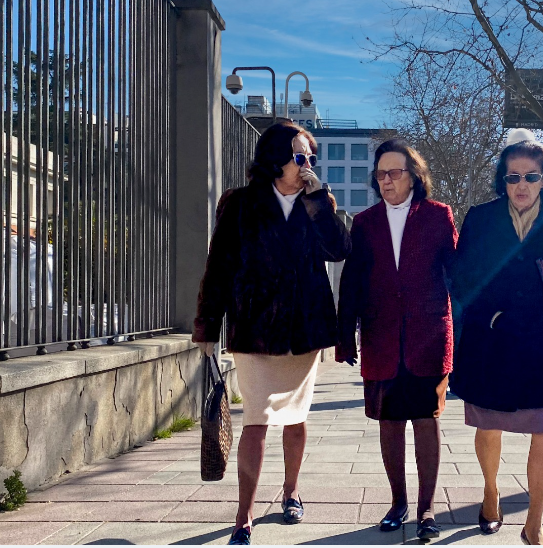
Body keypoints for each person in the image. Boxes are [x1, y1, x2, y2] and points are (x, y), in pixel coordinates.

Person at [192, 120, 351, 545]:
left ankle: (291, 491)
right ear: (275, 159)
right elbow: (219, 267)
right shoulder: (240, 203)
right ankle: (243, 513)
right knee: (257, 422)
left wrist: (319, 201)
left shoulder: (318, 202)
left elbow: (339, 250)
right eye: (301, 157)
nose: (307, 165)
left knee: (296, 420)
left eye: (311, 158)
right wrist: (208, 324)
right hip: (255, 329)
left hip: (303, 329)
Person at [449, 135, 543, 545]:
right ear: (503, 179)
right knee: (489, 425)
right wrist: (488, 315)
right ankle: (491, 491)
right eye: (513, 176)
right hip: (494, 342)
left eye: (531, 176)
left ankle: (534, 519)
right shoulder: (481, 217)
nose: (522, 184)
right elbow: (462, 277)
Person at [336, 139, 457, 541]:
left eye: (395, 172)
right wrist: (343, 336)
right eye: (380, 174)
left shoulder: (439, 216)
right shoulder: (365, 222)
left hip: (428, 336)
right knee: (389, 423)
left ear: (413, 176)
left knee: (426, 421)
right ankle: (398, 502)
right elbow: (351, 283)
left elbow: (457, 275)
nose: (386, 180)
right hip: (380, 338)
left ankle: (426, 508)